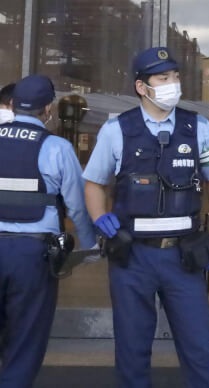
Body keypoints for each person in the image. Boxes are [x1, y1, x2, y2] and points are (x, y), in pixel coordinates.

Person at [83, 47, 209, 387]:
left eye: (175, 77)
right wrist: (98, 217)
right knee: (132, 348)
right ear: (142, 87)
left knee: (201, 347)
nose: (172, 85)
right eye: (163, 79)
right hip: (132, 257)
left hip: (184, 257)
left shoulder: (199, 128)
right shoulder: (117, 130)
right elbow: (93, 183)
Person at [0, 74, 95, 386]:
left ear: (12, 105)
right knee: (25, 336)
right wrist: (90, 245)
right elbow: (78, 206)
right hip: (32, 254)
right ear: (49, 110)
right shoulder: (57, 147)